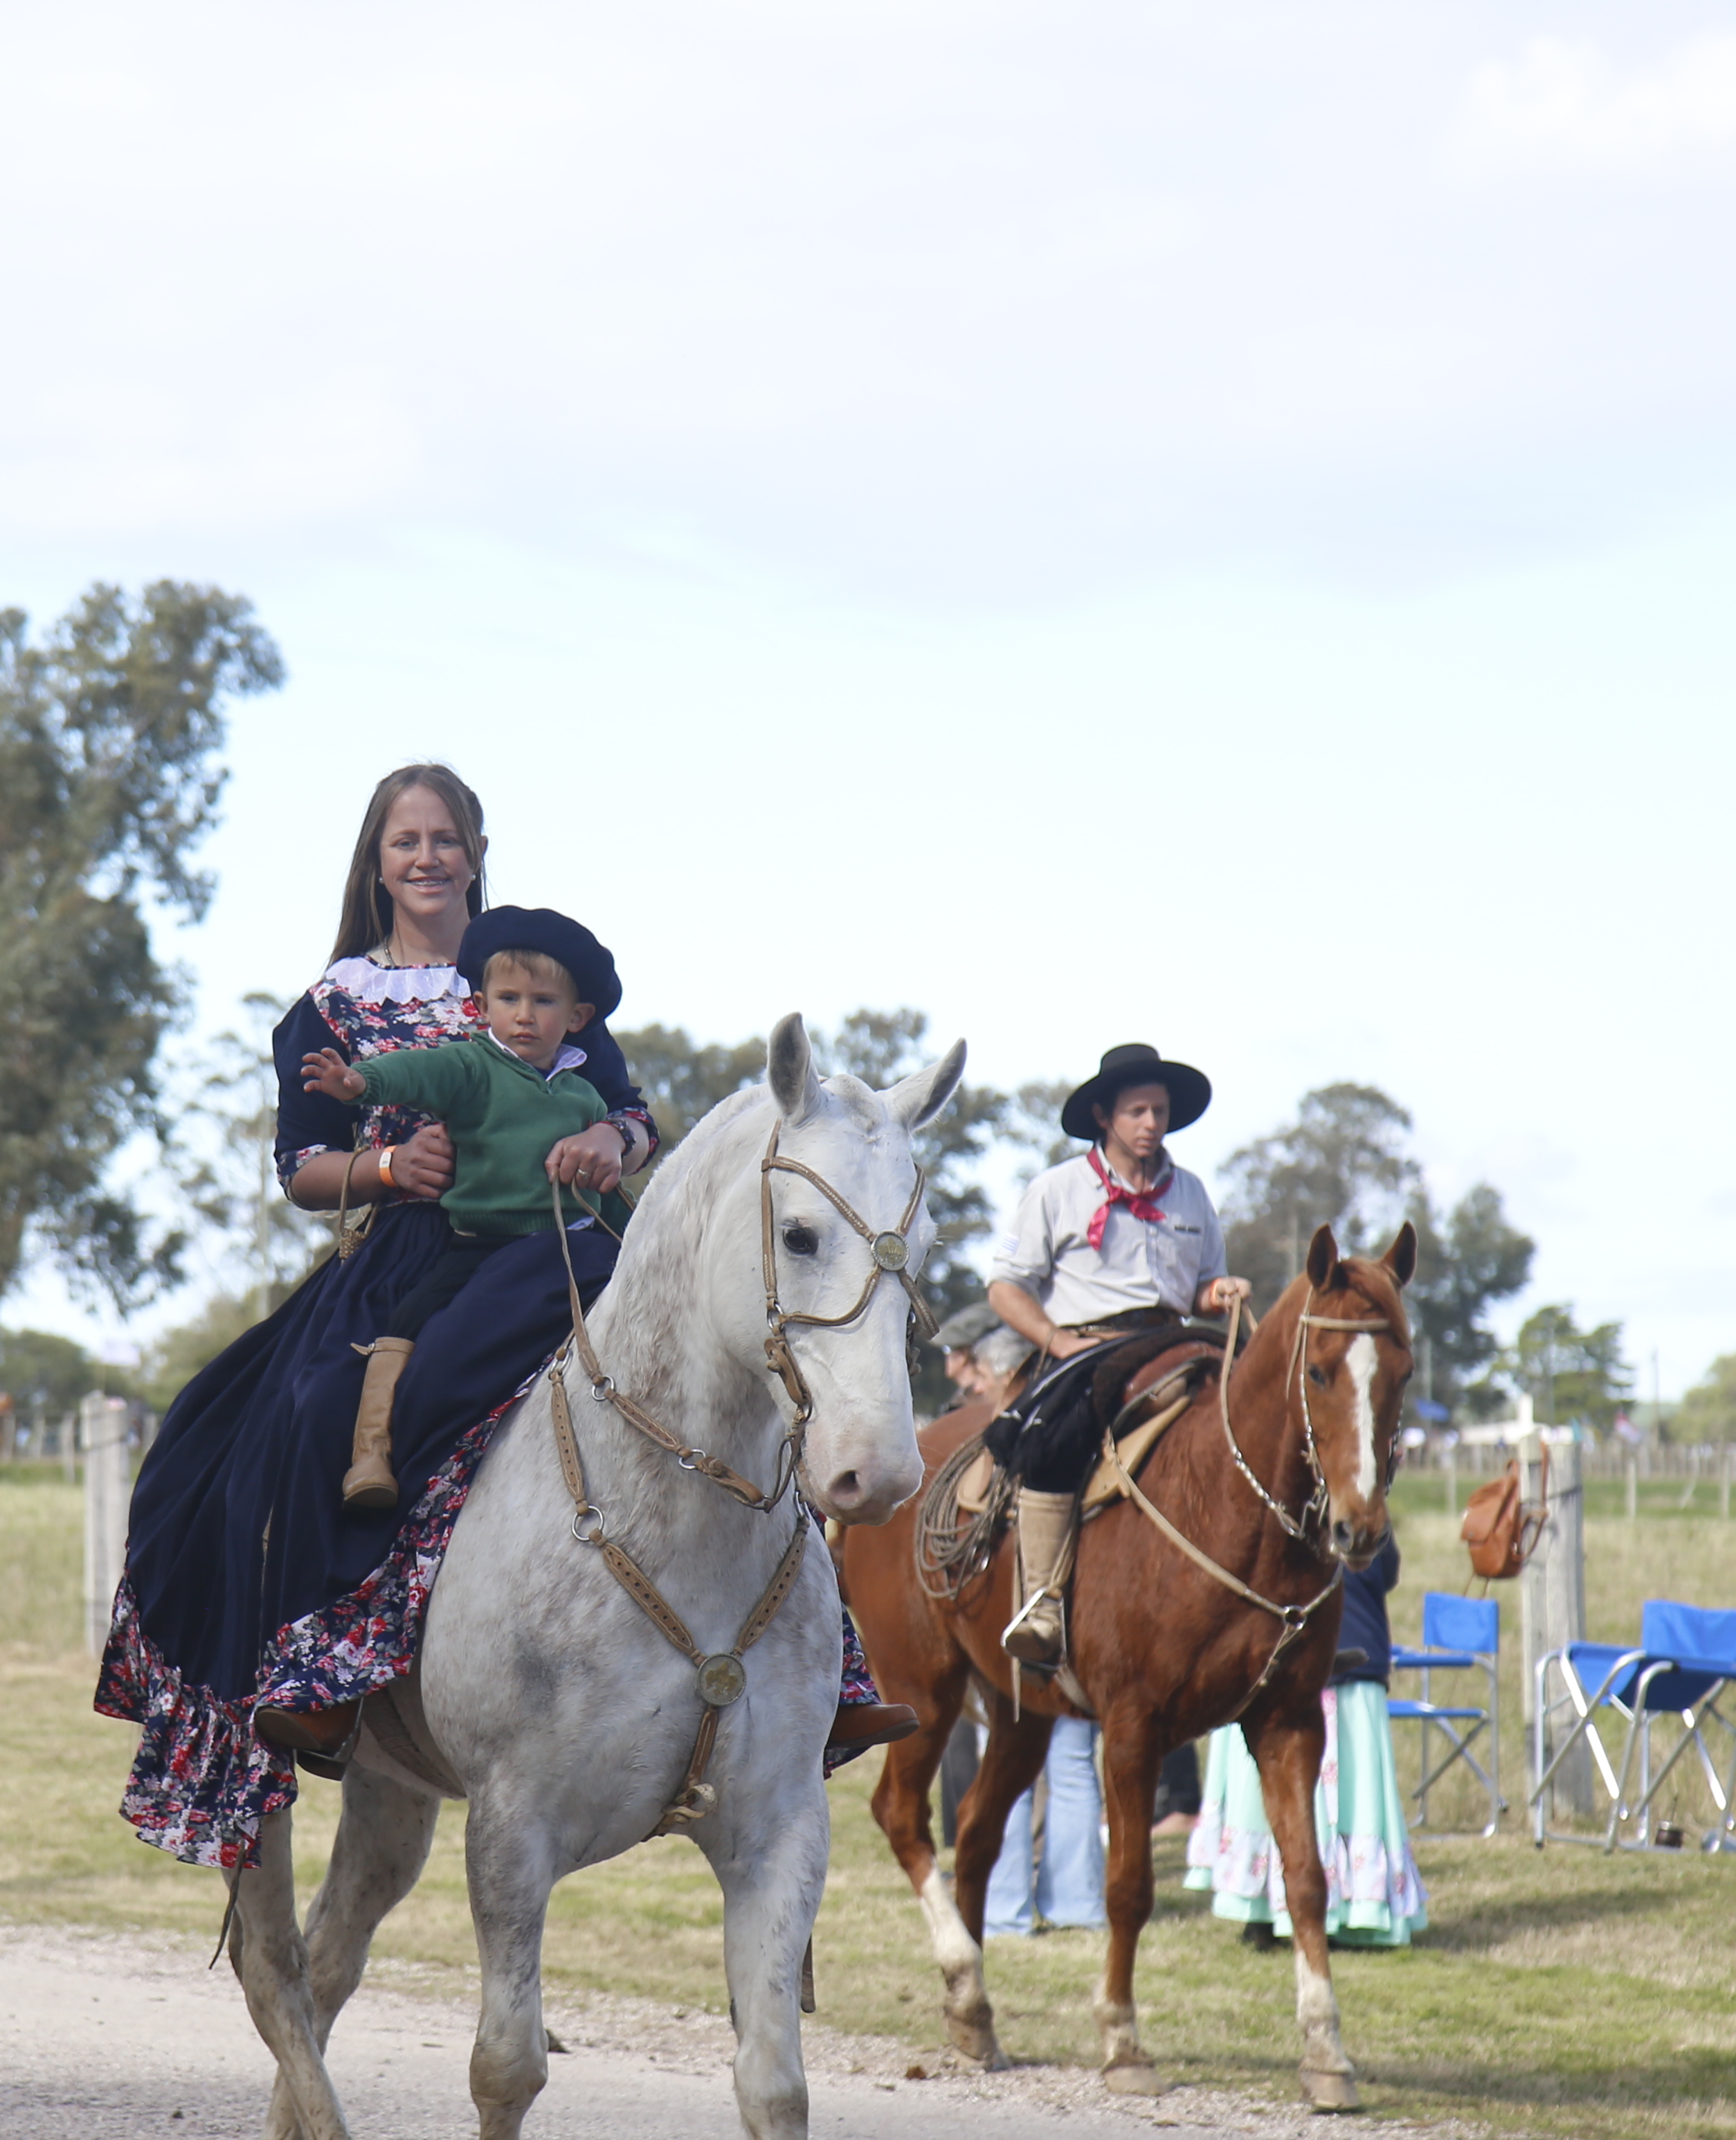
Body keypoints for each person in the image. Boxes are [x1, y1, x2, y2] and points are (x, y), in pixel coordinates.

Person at [93, 764, 905, 1868]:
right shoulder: (333, 1004)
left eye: (444, 838)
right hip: (416, 1256)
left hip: (570, 1245)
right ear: (375, 861)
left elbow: (631, 1116)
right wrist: (386, 1165)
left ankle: (828, 1671)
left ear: (475, 851)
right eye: (403, 840)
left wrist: (609, 1147)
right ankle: (331, 1671)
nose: (425, 857)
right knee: (314, 1406)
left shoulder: (545, 976)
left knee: (732, 1393)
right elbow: (300, 1169)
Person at [293, 905, 630, 1515]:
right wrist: (359, 1084)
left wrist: (612, 1144)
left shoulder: (585, 1094)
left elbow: (624, 1143)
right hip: (472, 1241)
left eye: (544, 1003)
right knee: (405, 1325)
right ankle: (372, 1453)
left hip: (567, 1245)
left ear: (578, 1017)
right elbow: (415, 1071)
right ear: (481, 1007)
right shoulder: (471, 1063)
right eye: (509, 999)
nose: (525, 1015)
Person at [982, 1042, 1248, 1670]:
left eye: (1158, 1111)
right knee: (1054, 1441)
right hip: (1088, 1350)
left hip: (1178, 1341)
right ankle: (1042, 1602)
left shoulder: (1192, 1194)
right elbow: (1005, 1288)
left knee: (1258, 1418)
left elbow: (1203, 1288)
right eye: (1137, 1111)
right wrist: (1058, 1342)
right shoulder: (1055, 1189)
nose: (1151, 1123)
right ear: (1105, 1116)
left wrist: (1221, 1292)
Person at [1186, 1531, 1427, 1946]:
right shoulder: (1360, 1516)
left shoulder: (1279, 1509)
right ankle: (1335, 1908)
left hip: (1293, 1665)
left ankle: (1265, 1911)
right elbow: (1386, 1571)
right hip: (1319, 1666)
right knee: (1342, 1802)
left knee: (1277, 1794)